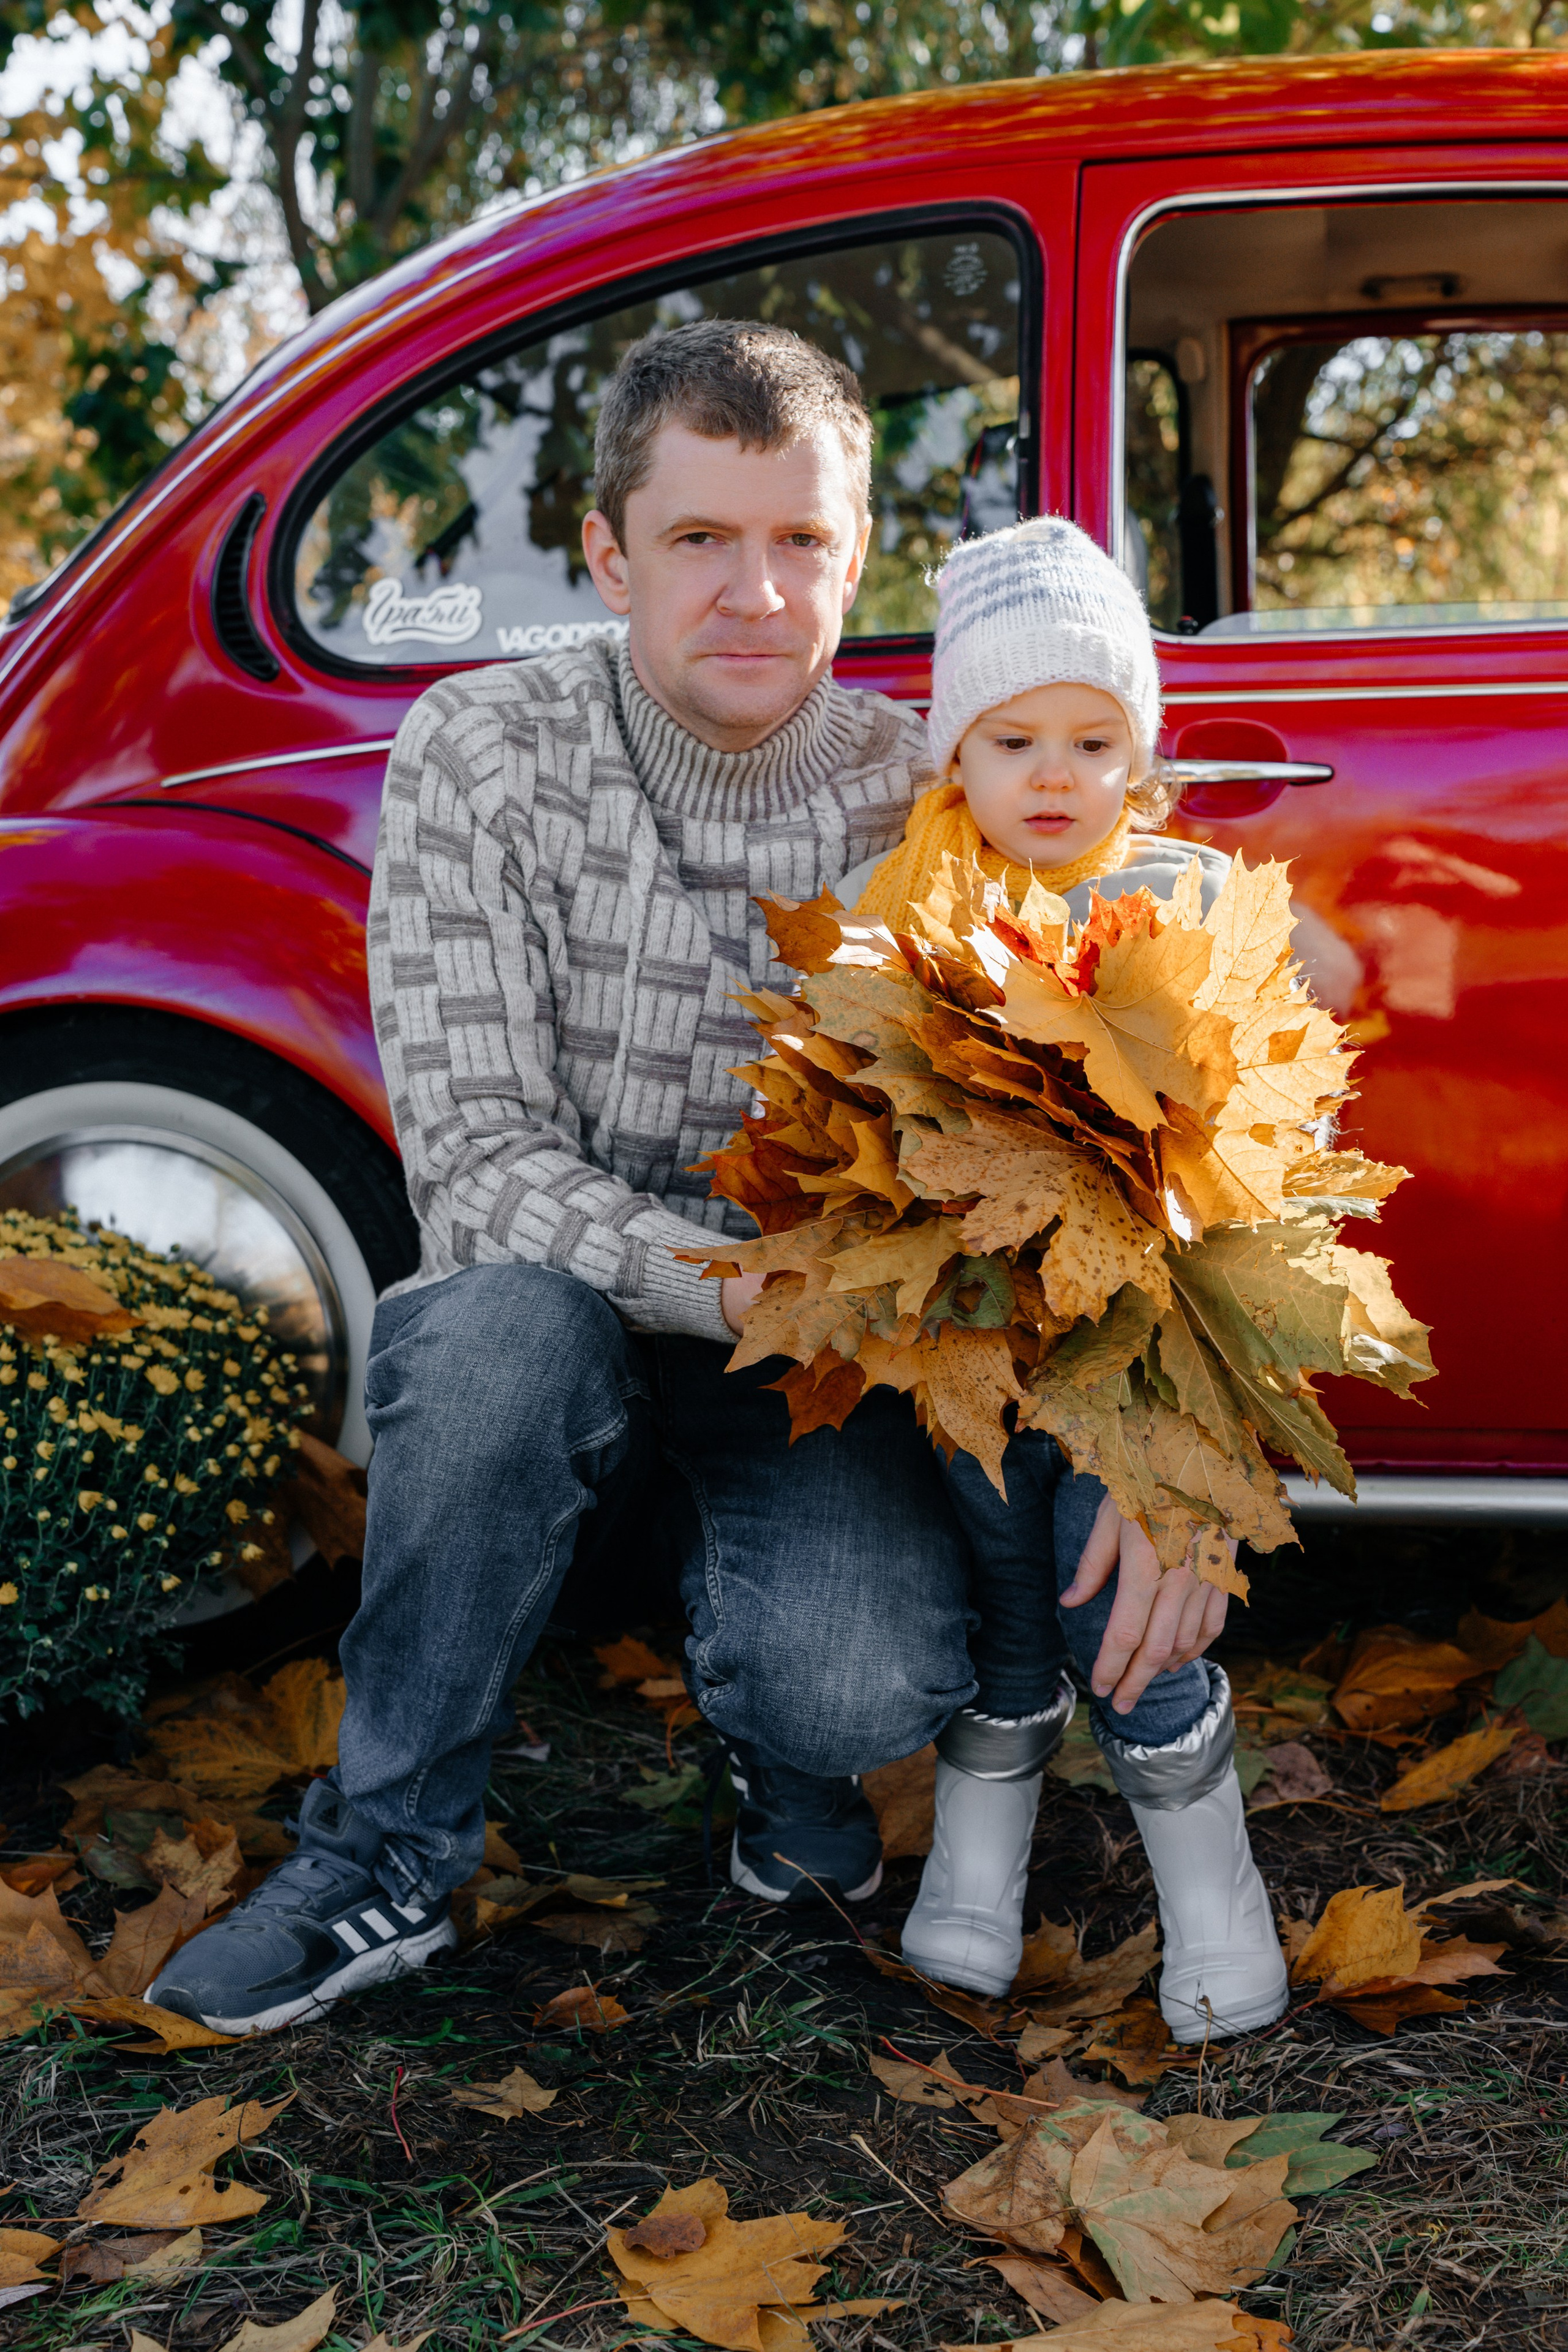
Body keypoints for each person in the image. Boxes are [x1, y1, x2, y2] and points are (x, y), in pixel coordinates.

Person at [148, 329, 1240, 2040]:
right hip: (580, 1312)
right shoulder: (481, 751)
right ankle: (383, 1856)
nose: (756, 591)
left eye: (801, 541)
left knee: (864, 1676)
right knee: (497, 1340)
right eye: (699, 540)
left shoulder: (941, 796)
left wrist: (1189, 1446)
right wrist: (731, 1281)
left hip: (809, 1363)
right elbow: (481, 1168)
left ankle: (775, 1747)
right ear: (606, 556)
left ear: (855, 558)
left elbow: (1161, 1101)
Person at [833, 517, 1290, 2045]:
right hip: (973, 1344)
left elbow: (1269, 1149)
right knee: (1001, 1593)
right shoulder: (906, 913)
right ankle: (981, 1834)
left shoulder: (1185, 897)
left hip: (1140, 1355)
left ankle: (1208, 1878)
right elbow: (854, 1126)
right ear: (955, 752)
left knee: (1126, 1597)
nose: (1052, 773)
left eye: (1093, 740)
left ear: (1136, 756)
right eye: (1012, 736)